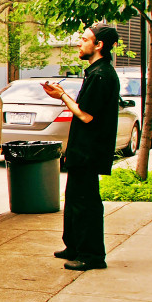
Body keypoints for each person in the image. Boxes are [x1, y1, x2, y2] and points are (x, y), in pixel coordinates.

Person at [40, 23, 120, 271]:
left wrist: (62, 96)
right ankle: (74, 246)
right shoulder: (96, 71)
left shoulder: (101, 75)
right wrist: (62, 94)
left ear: (99, 45)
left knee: (86, 203)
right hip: (81, 150)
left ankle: (92, 255)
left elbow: (86, 115)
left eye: (85, 39)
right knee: (75, 199)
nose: (79, 43)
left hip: (89, 151)